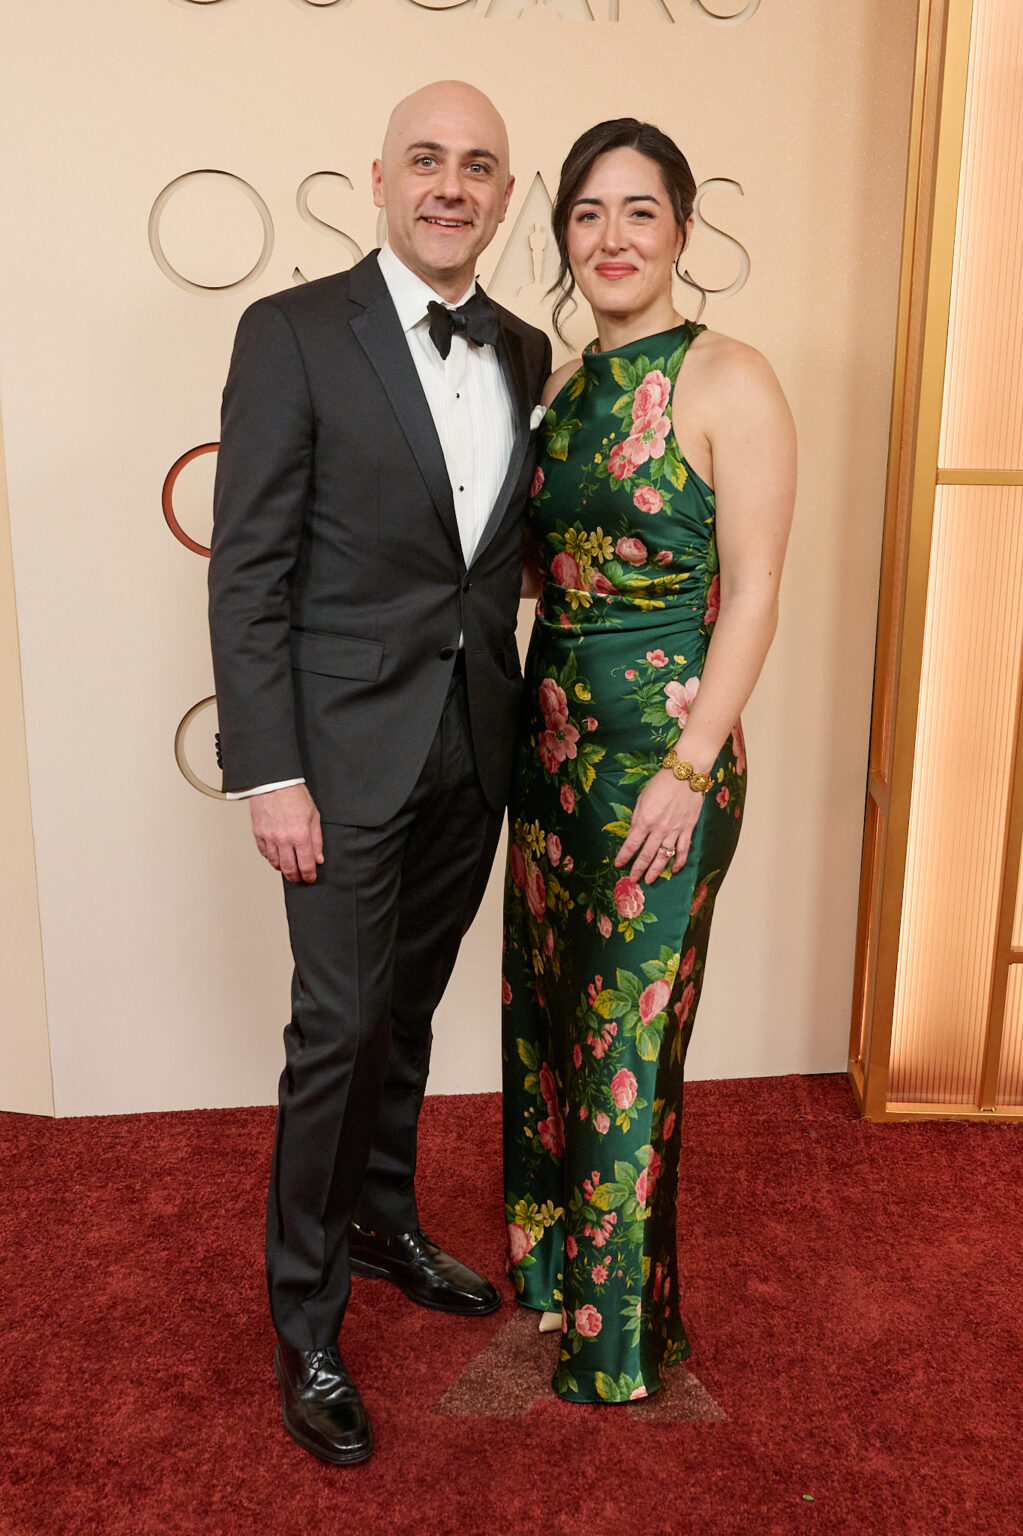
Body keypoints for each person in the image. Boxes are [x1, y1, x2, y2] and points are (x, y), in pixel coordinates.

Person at [208, 80, 551, 1464]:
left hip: (474, 744)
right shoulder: (290, 333)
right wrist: (268, 773)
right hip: (337, 761)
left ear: (505, 197)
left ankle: (385, 1215)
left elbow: (517, 558)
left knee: (406, 1012)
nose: (451, 185)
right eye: (427, 160)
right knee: (335, 1031)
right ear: (380, 179)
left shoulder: (526, 349)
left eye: (477, 166)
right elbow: (248, 569)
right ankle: (305, 1318)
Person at [502, 119, 796, 1404]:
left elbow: (759, 592)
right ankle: (564, 1277)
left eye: (638, 212)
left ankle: (621, 1344)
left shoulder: (730, 377)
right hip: (549, 760)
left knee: (629, 1051)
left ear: (682, 226)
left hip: (665, 769)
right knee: (559, 1034)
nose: (611, 238)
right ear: (563, 236)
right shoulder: (563, 389)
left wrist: (690, 763)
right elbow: (531, 575)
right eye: (586, 215)